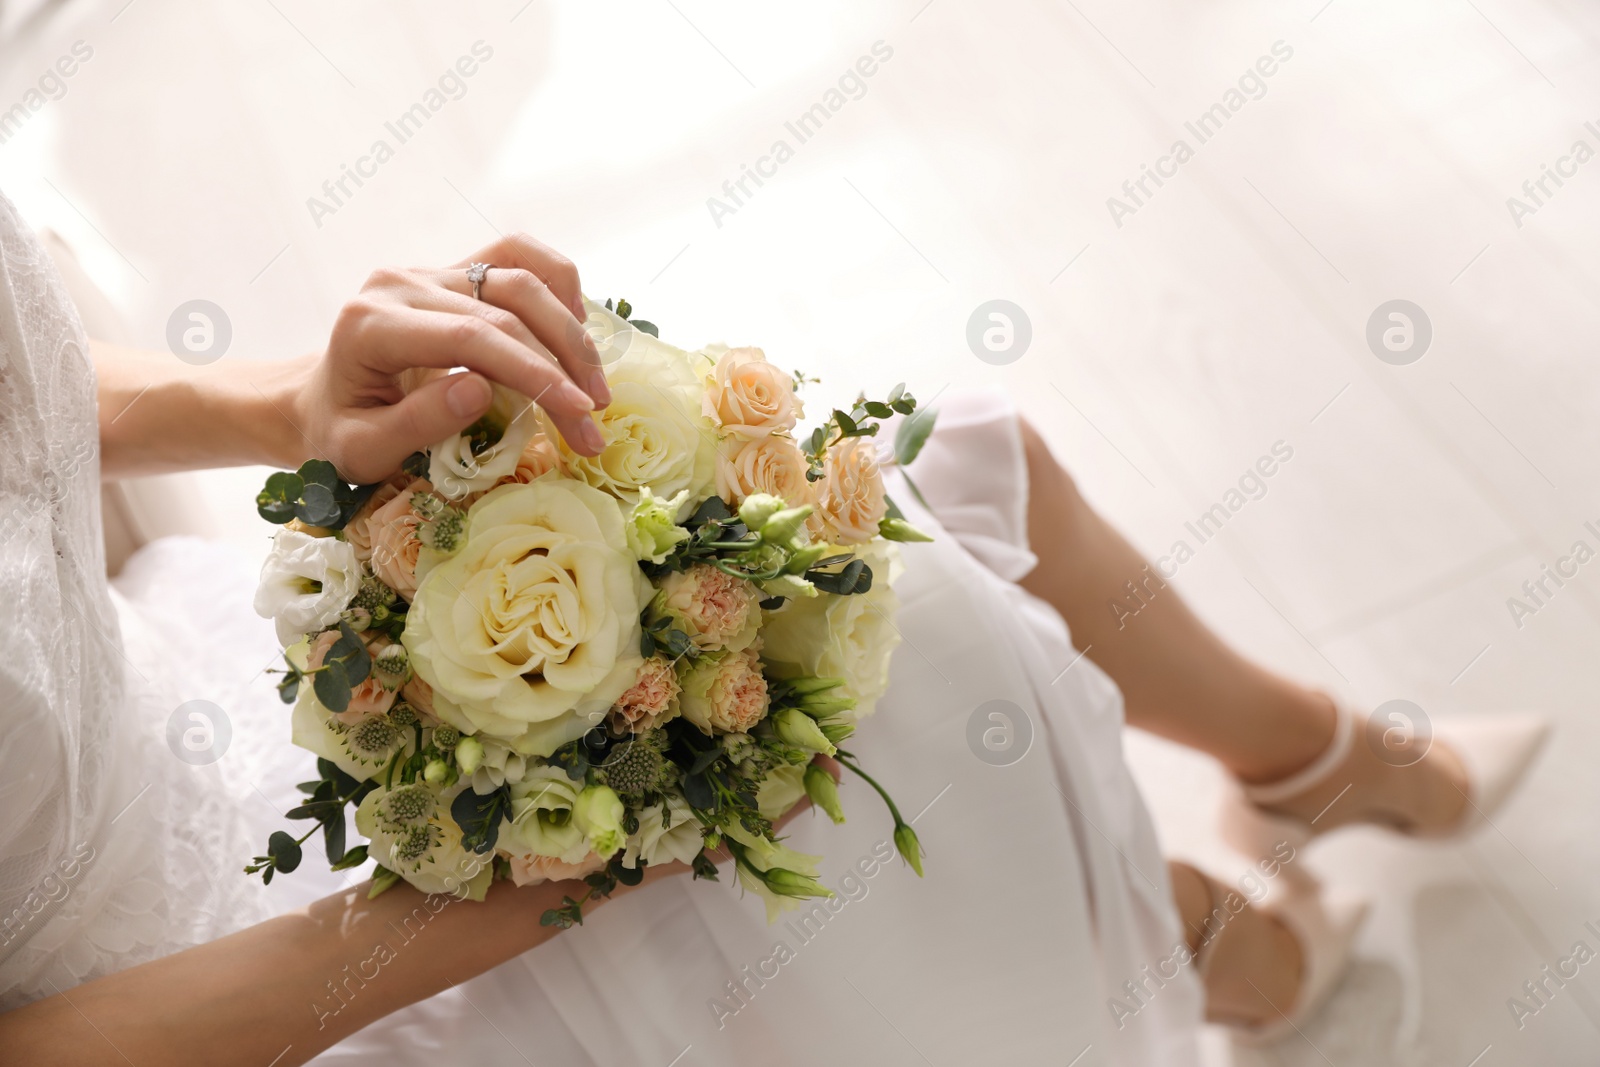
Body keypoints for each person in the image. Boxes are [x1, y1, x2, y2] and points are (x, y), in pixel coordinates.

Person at [0, 190, 1546, 1065]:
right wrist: (464, 919)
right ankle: (1212, 933)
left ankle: (1300, 768)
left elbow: (22, 390)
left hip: (193, 701)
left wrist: (285, 406)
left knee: (903, 513)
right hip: (209, 1010)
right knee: (893, 701)